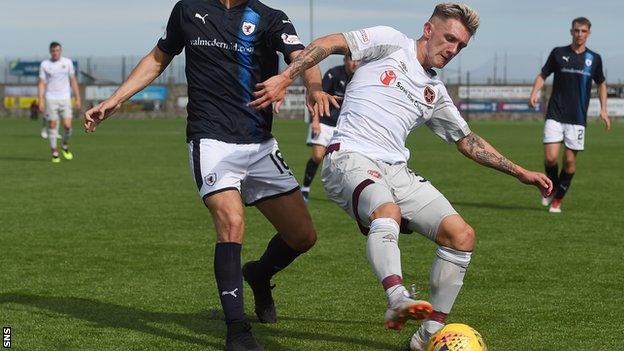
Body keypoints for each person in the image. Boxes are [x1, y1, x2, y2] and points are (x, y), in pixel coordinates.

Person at [250, 3, 553, 350]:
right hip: (349, 156)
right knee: (387, 210)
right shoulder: (391, 42)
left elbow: (467, 141)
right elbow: (330, 42)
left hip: (397, 170)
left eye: (461, 46)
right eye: (449, 38)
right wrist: (289, 78)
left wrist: (520, 172)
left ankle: (425, 337)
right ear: (428, 29)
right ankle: (397, 297)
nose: (452, 49)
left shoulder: (435, 93)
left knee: (462, 235)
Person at [84, 1, 336, 350]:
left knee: (303, 236)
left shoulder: (270, 17)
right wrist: (116, 99)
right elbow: (158, 58)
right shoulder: (188, 10)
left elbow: (303, 55)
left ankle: (259, 274)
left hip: (260, 145)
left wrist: (313, 86)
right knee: (231, 223)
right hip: (211, 140)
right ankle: (238, 332)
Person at [529, 17, 610, 213]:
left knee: (570, 162)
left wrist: (604, 109)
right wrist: (534, 92)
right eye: (576, 30)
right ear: (571, 32)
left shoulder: (594, 58)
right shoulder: (558, 53)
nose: (579, 34)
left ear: (588, 33)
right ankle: (553, 188)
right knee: (550, 159)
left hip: (577, 118)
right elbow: (543, 75)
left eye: (583, 31)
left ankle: (558, 199)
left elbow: (601, 84)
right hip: (555, 113)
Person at [301, 55, 358, 202]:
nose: (355, 63)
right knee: (318, 157)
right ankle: (305, 188)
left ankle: (343, 194)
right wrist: (315, 121)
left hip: (344, 127)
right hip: (324, 122)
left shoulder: (360, 79)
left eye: (358, 60)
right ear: (345, 60)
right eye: (352, 60)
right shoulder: (333, 74)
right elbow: (316, 97)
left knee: (343, 163)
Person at [38, 42, 81, 163]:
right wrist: (40, 100)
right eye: (53, 51)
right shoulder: (45, 64)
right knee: (52, 125)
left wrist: (78, 97)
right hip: (51, 98)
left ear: (60, 51)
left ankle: (65, 145)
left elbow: (73, 80)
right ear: (50, 51)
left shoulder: (67, 63)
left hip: (65, 98)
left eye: (57, 50)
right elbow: (42, 83)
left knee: (67, 126)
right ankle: (54, 152)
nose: (55, 53)